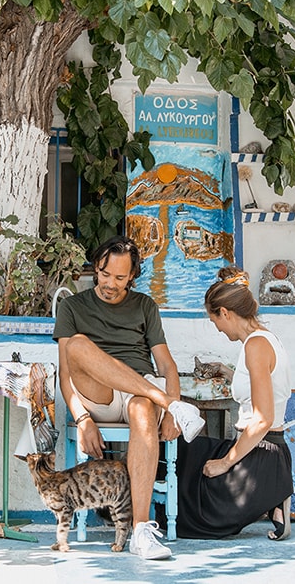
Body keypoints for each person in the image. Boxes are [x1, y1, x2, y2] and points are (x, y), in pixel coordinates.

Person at [53, 235, 194, 560]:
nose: (110, 284)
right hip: (96, 394)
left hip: (138, 393)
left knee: (144, 408)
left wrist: (169, 411)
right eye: (104, 274)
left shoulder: (145, 306)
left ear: (132, 276)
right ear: (96, 268)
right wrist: (82, 418)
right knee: (76, 346)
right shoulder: (72, 307)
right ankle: (165, 401)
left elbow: (167, 365)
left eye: (119, 277)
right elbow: (65, 374)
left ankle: (141, 531)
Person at [176, 266, 293, 540]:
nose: (216, 327)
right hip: (262, 451)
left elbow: (263, 418)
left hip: (259, 456)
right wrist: (228, 373)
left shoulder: (256, 346)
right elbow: (260, 387)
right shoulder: (264, 340)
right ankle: (274, 498)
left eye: (214, 319)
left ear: (225, 313)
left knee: (189, 516)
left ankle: (271, 495)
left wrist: (225, 463)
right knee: (184, 451)